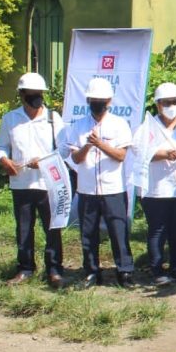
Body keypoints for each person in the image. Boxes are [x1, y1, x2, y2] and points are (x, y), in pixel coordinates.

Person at [60, 78, 135, 288]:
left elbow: (121, 155)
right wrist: (87, 146)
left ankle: (125, 272)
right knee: (88, 233)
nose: (97, 103)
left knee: (118, 231)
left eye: (101, 100)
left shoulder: (119, 124)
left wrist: (100, 144)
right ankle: (92, 272)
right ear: (88, 99)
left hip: (113, 188)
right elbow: (75, 159)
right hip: (87, 189)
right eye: (93, 99)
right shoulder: (78, 126)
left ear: (109, 100)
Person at [0, 73, 67, 288]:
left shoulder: (54, 118)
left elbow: (63, 150)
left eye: (40, 94)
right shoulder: (11, 119)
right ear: (22, 95)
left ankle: (54, 269)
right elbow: (2, 146)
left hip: (49, 184)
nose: (37, 97)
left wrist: (44, 161)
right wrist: (4, 160)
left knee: (52, 227)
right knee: (24, 228)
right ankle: (25, 268)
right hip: (21, 183)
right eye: (32, 94)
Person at [134, 82, 176, 287]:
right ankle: (156, 269)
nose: (172, 105)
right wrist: (163, 154)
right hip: (156, 189)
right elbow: (138, 153)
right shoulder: (147, 128)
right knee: (157, 229)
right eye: (167, 102)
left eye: (175, 102)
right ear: (158, 104)